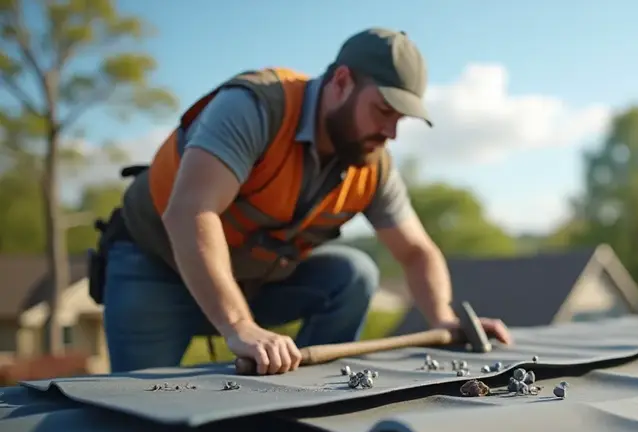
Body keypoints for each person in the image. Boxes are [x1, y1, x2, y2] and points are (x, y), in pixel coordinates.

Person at [90, 28, 512, 375]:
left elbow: (417, 252)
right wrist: (239, 326)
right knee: (136, 415)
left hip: (251, 286)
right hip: (156, 268)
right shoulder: (255, 107)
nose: (391, 132)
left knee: (354, 275)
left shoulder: (372, 162)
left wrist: (442, 320)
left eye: (400, 119)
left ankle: (304, 397)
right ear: (341, 82)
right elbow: (190, 212)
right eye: (384, 110)